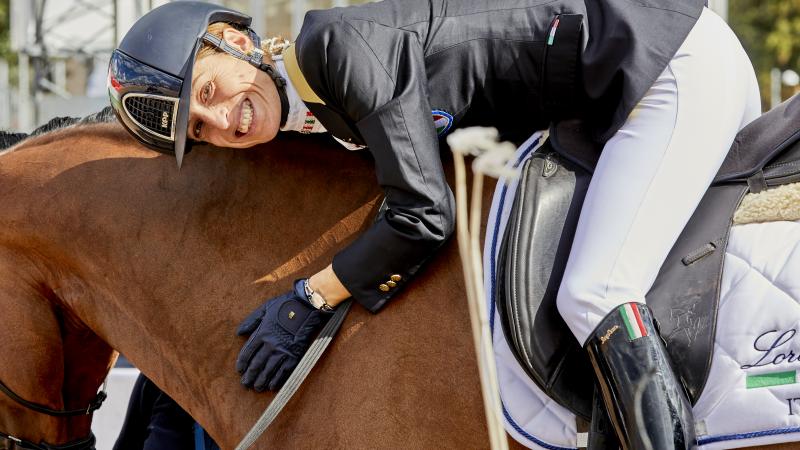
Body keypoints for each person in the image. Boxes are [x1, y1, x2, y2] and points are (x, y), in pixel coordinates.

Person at [107, 0, 761, 447]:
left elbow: (423, 216)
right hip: (622, 96)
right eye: (199, 130)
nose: (222, 122)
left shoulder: (332, 47)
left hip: (663, 68)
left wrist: (311, 295)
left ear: (240, 43)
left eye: (210, 91)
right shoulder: (315, 107)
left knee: (594, 291)